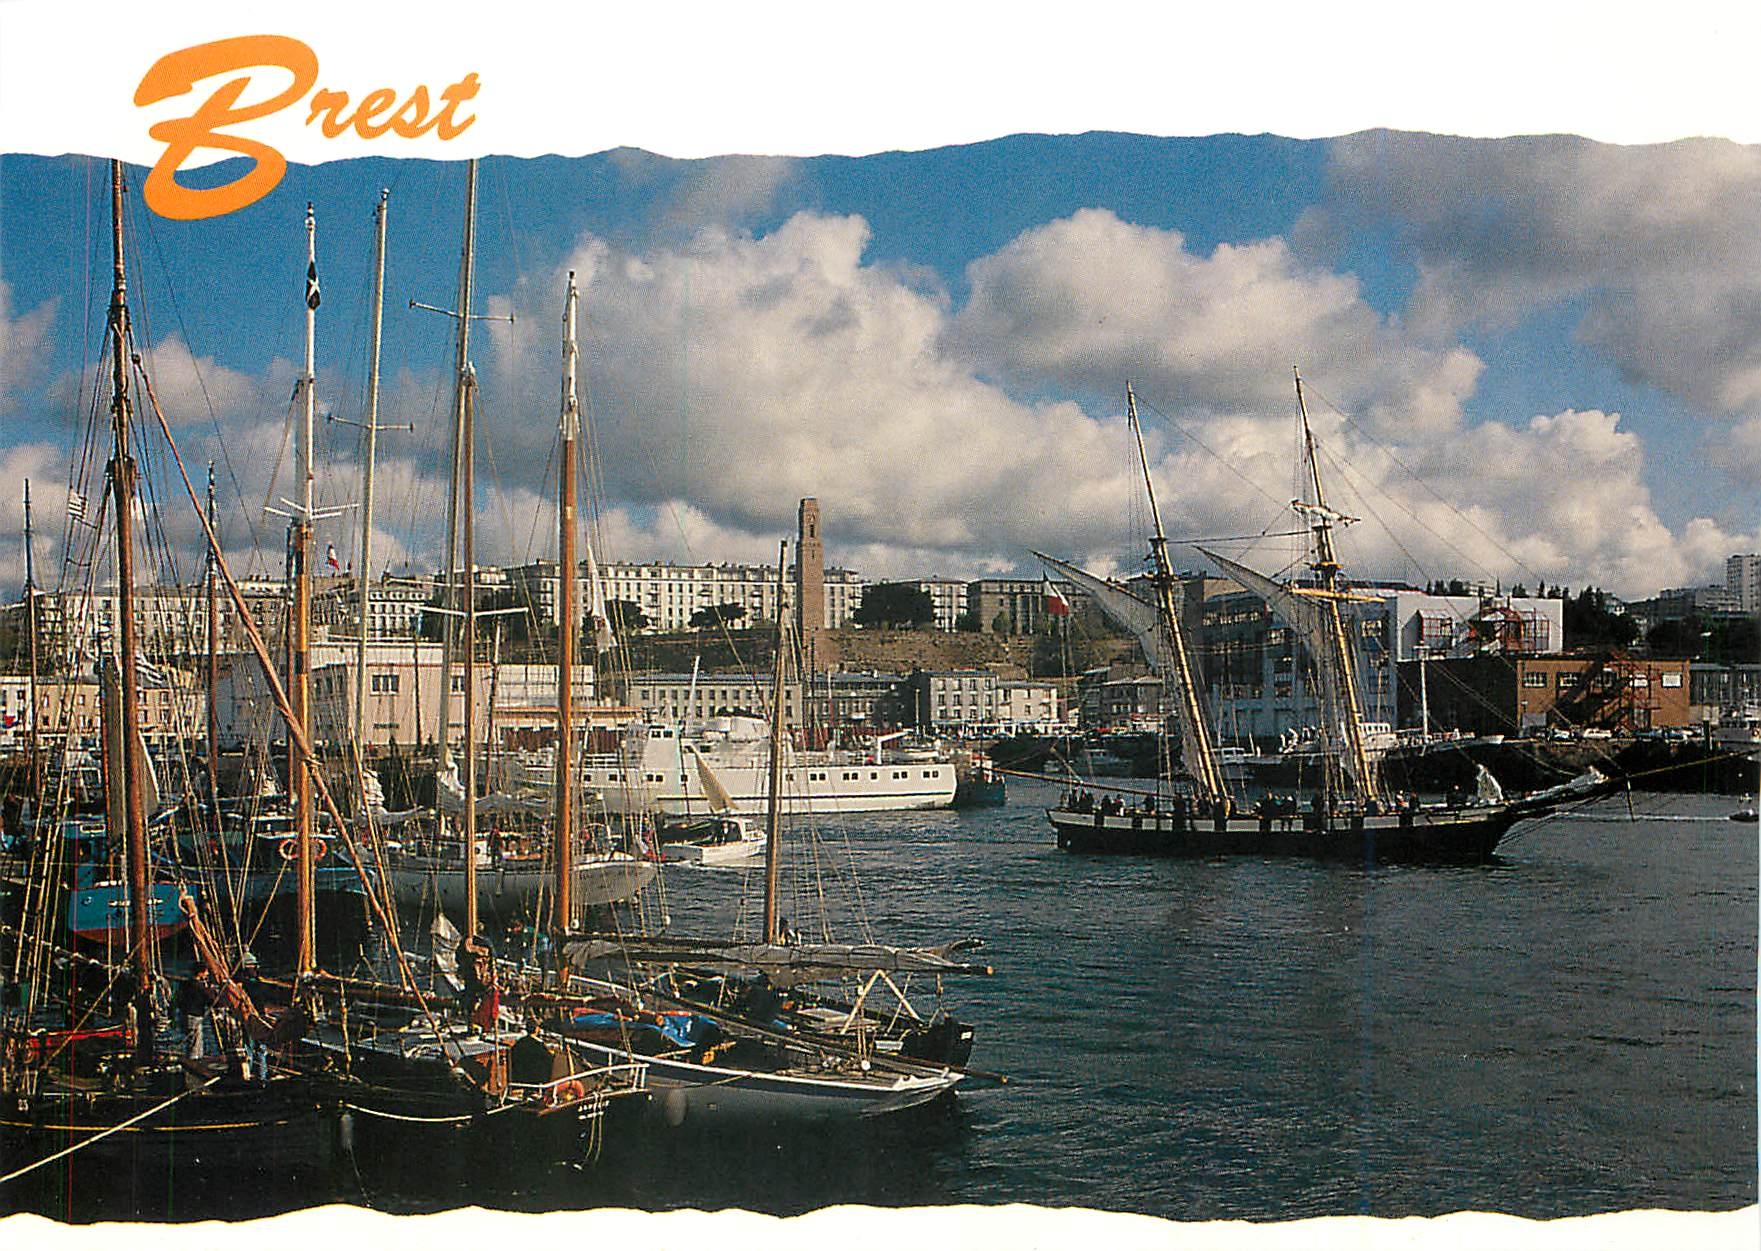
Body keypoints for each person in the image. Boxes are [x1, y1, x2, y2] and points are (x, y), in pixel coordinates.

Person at [508, 1018, 554, 1088]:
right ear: (536, 1029)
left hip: (518, 1079)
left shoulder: (519, 1043)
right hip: (535, 1080)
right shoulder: (539, 1046)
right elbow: (549, 1060)